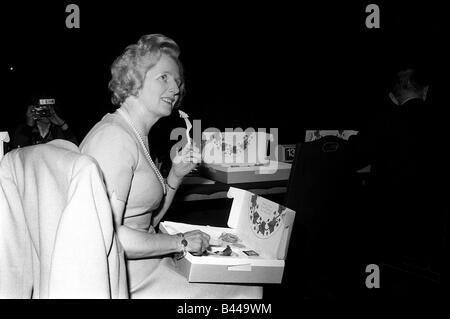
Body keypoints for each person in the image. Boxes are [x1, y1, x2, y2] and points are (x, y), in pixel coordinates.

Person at [80, 34, 262, 299]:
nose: (175, 89)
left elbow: (148, 221)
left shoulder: (133, 133)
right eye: (163, 77)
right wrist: (181, 241)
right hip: (127, 280)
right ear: (135, 79)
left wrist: (175, 175)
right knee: (248, 286)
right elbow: (107, 237)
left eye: (177, 81)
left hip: (145, 265)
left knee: (244, 274)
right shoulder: (114, 139)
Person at [351, 66, 447, 282]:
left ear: (393, 97)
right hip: (432, 224)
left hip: (390, 224)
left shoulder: (385, 121)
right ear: (425, 91)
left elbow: (356, 155)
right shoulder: (441, 122)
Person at [11, 98, 78, 148]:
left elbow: (74, 148)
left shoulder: (58, 131)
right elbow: (17, 149)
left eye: (48, 109)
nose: (45, 112)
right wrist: (28, 126)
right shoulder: (24, 130)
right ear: (34, 109)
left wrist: (63, 125)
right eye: (42, 109)